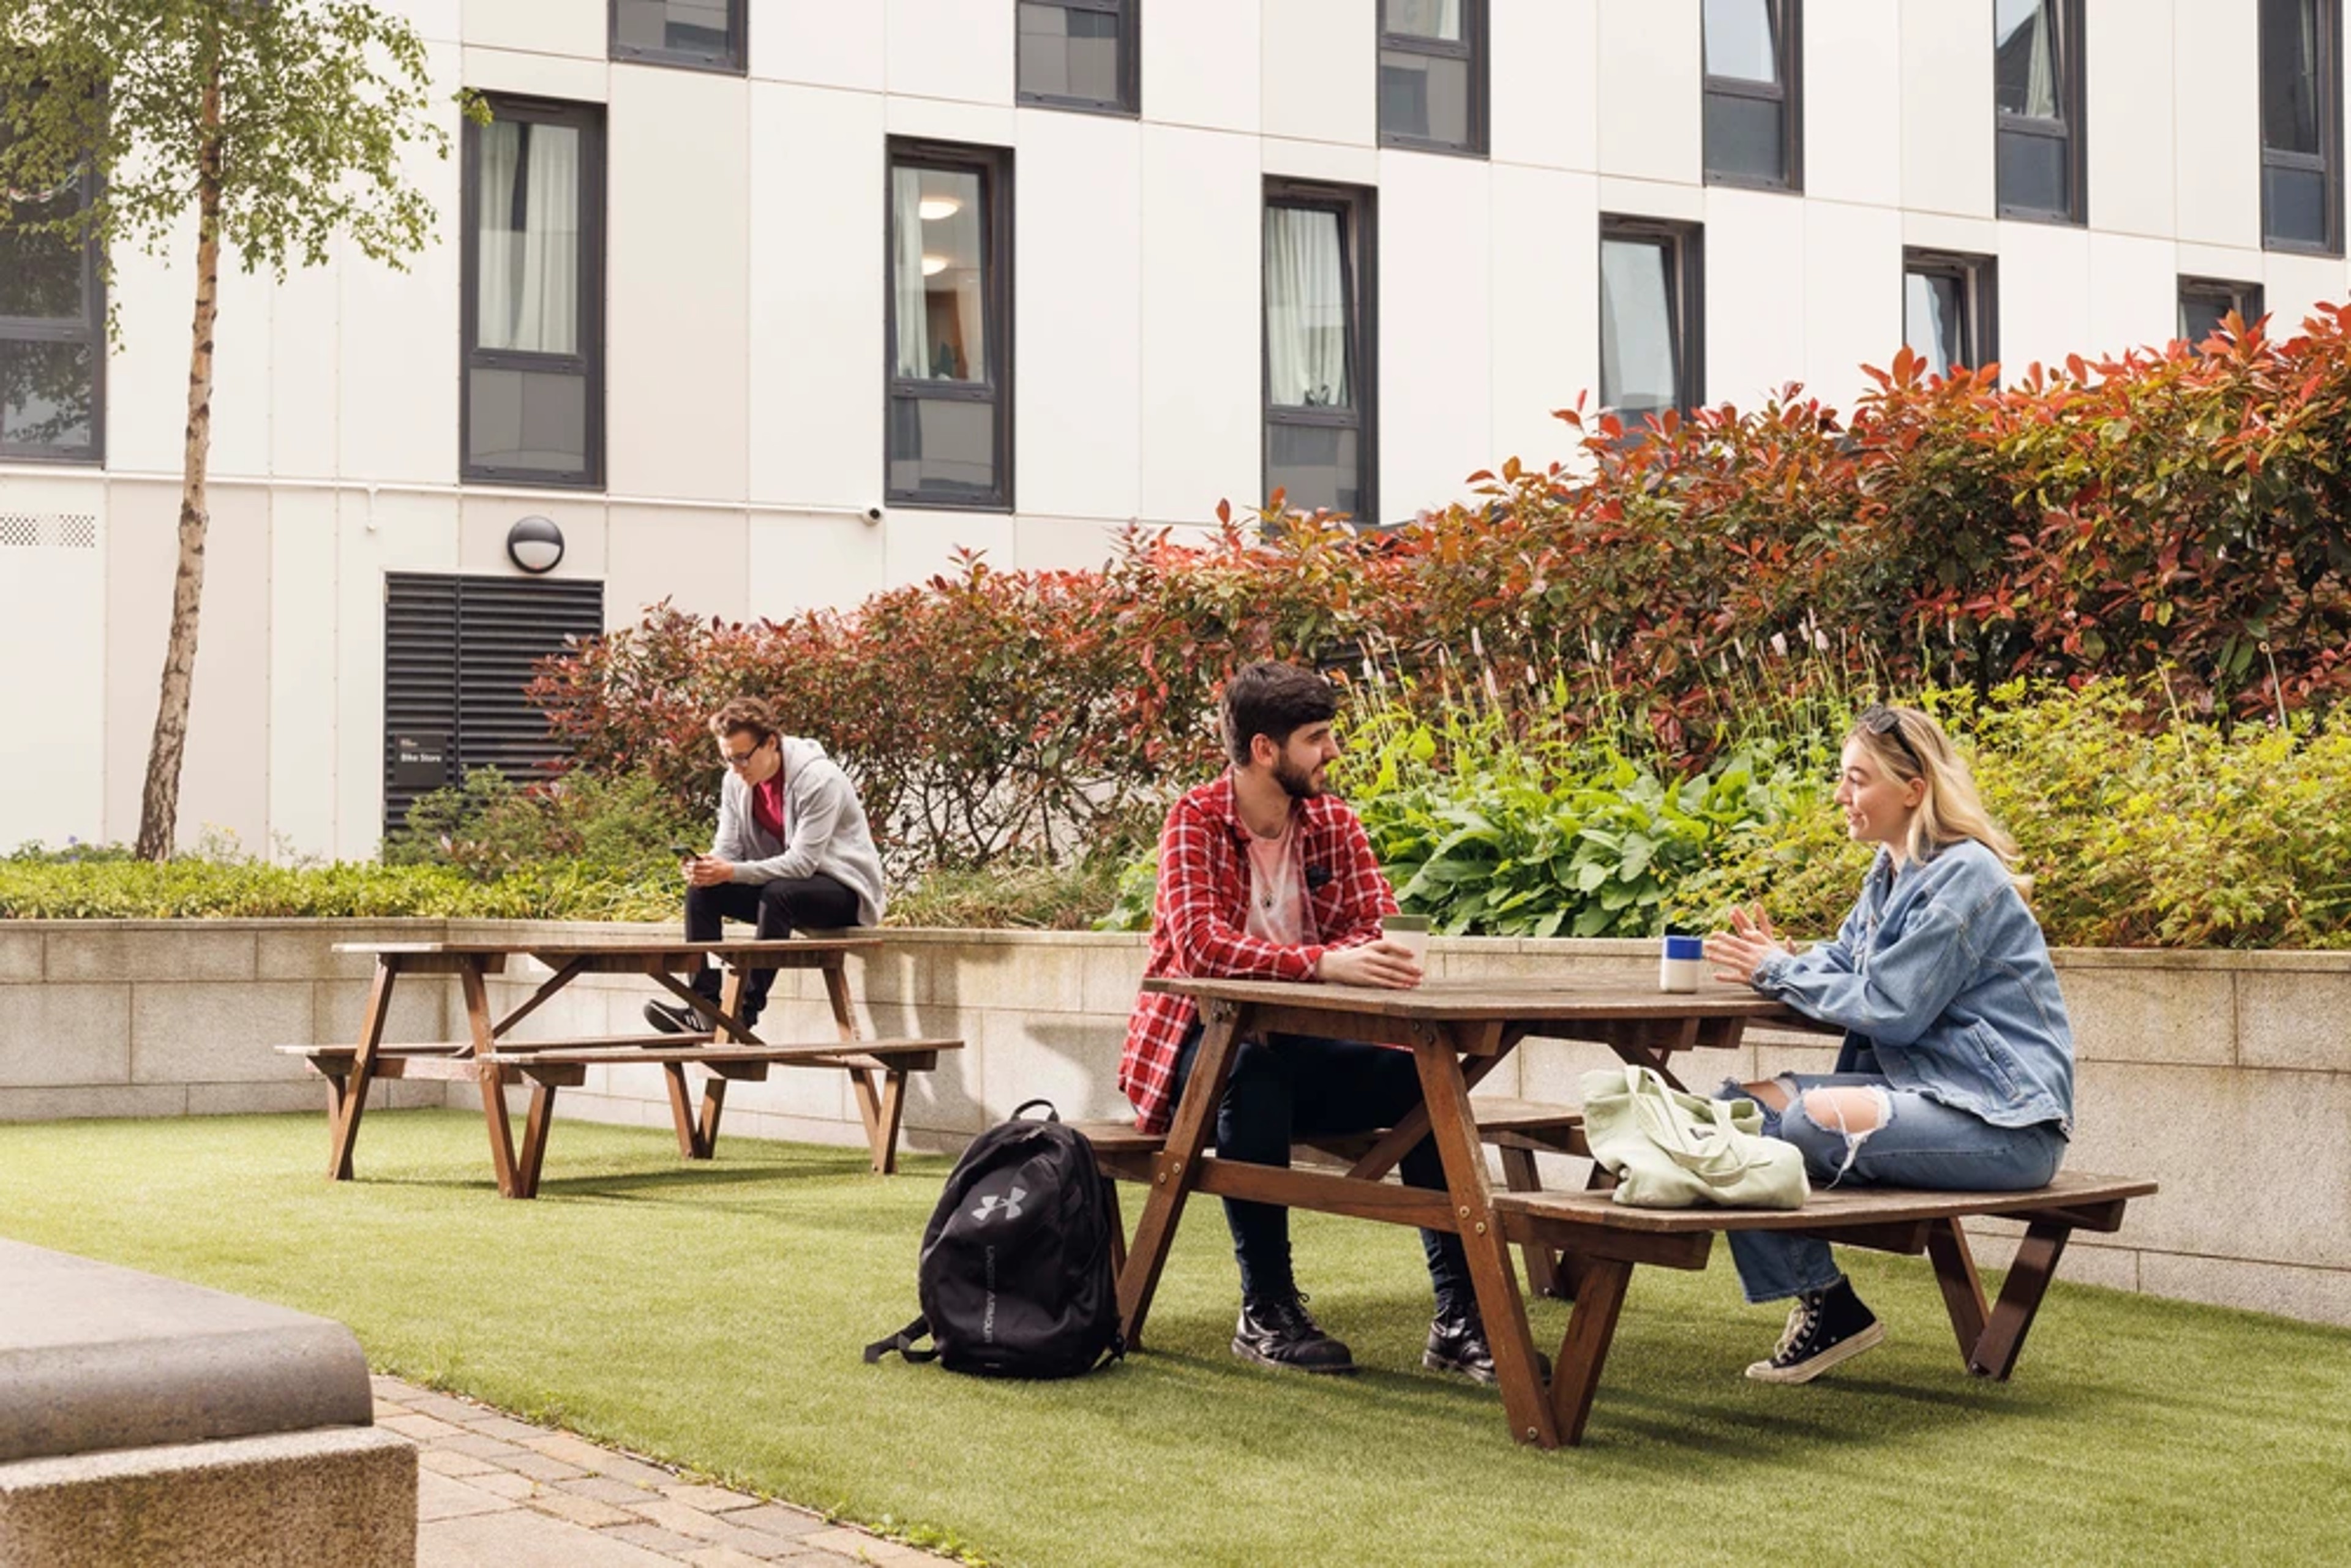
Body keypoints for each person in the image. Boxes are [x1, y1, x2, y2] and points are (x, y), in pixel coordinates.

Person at [1120, 661, 1511, 1382]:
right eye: (1317, 737)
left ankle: (1460, 1317)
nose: (1333, 751)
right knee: (1254, 1071)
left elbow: (1376, 925)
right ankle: (1266, 1308)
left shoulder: (1333, 821)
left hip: (1308, 1049)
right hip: (1196, 1052)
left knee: (1425, 1080)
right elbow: (1200, 943)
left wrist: (1345, 958)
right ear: (1265, 749)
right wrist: (1322, 966)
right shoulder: (1196, 819)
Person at [1703, 703, 2075, 1385]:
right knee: (1729, 1114)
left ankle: (1826, 1304)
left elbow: (1891, 1005)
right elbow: (1845, 963)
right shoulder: (1890, 870)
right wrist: (1787, 961)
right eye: (1842, 778)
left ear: (1914, 788)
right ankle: (1828, 1302)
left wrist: (1778, 968)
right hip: (1920, 1095)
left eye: (1857, 779)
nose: (1841, 795)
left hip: (2005, 1121)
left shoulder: (1966, 875)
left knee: (1806, 1124)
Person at [643, 697, 887, 1035]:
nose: (736, 768)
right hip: (783, 886)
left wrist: (731, 872)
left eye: (743, 757)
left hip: (842, 891)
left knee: (779, 893)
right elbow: (728, 849)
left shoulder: (819, 779)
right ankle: (704, 1008)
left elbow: (802, 864)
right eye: (728, 759)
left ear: (771, 743)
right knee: (702, 894)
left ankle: (743, 1013)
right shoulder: (735, 781)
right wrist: (708, 869)